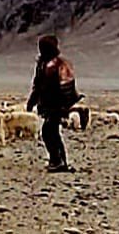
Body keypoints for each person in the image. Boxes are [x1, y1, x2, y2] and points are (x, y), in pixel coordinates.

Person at [26, 35, 81, 173]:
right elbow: (37, 84)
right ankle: (57, 160)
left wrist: (64, 106)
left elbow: (67, 86)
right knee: (51, 132)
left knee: (49, 132)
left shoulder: (60, 64)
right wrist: (32, 101)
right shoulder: (43, 64)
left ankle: (58, 161)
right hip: (47, 103)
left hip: (57, 104)